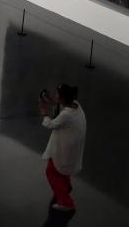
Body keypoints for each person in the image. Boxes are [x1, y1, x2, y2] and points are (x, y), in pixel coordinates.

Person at [40, 84, 86, 212]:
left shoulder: (66, 115)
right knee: (61, 169)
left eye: (57, 95)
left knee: (51, 171)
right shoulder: (76, 105)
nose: (55, 96)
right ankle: (66, 185)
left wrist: (44, 113)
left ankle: (66, 202)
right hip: (71, 147)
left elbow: (50, 124)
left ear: (63, 98)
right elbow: (61, 108)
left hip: (64, 149)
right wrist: (52, 101)